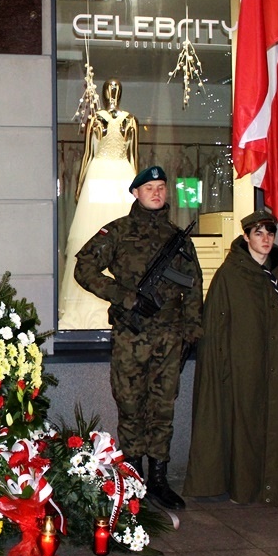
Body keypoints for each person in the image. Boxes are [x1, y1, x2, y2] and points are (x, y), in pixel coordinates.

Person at [73, 166, 203, 510]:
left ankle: (158, 479)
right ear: (135, 193)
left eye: (161, 187)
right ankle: (132, 480)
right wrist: (127, 297)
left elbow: (193, 286)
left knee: (162, 410)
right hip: (132, 337)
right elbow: (83, 268)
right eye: (149, 188)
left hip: (170, 339)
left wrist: (193, 330)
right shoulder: (118, 232)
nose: (157, 193)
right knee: (130, 407)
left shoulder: (179, 237)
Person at [183, 209, 278, 506]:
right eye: (259, 233)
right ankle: (245, 485)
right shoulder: (230, 275)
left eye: (270, 233)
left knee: (276, 421)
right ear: (245, 237)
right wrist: (224, 367)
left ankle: (275, 484)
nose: (266, 239)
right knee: (245, 426)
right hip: (244, 366)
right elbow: (216, 327)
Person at [59, 78, 139, 330]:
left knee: (125, 235)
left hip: (117, 174)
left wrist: (138, 188)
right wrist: (81, 186)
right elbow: (87, 155)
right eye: (110, 89)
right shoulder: (98, 119)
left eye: (115, 89)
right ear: (105, 93)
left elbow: (134, 155)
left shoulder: (128, 119)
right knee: (93, 231)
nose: (112, 93)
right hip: (104, 173)